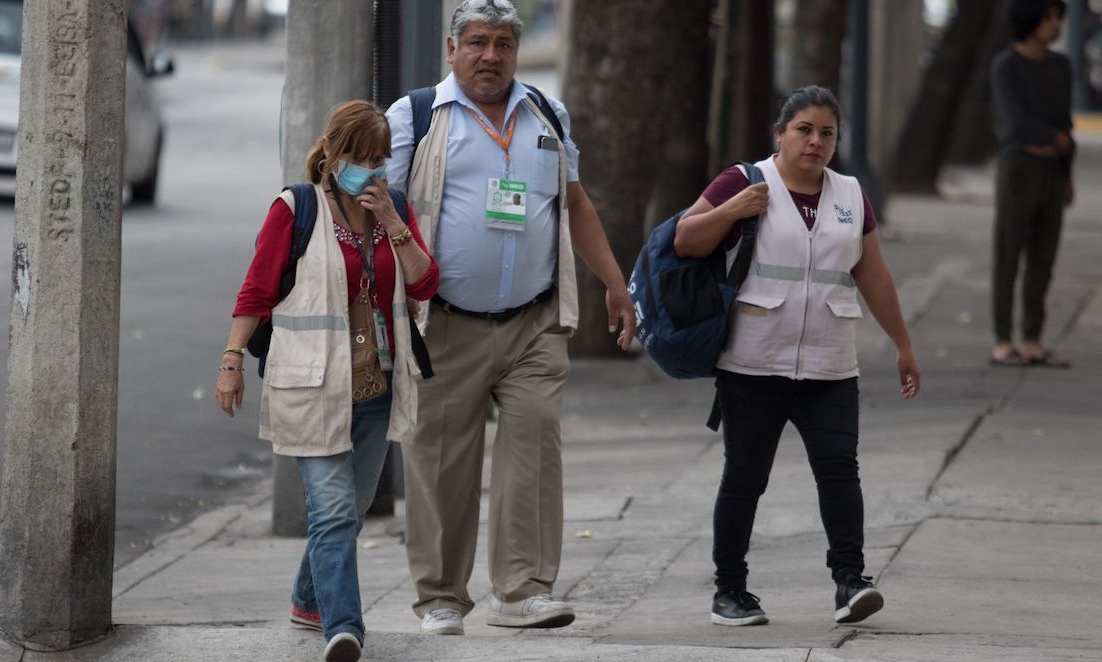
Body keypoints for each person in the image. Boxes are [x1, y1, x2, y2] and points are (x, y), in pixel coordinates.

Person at [383, 0, 635, 636]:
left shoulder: (545, 115)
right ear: (452, 48)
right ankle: (441, 596)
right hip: (442, 324)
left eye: (502, 43)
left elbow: (575, 203)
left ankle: (523, 591)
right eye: (476, 43)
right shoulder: (415, 116)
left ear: (516, 51)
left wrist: (614, 283)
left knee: (534, 452)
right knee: (440, 464)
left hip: (533, 322)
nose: (490, 55)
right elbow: (376, 210)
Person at [673, 86, 920, 627]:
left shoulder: (852, 194)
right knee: (745, 476)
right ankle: (729, 592)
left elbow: (872, 274)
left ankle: (850, 582)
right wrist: (735, 209)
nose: (815, 141)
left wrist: (902, 343)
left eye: (827, 132)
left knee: (839, 470)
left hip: (830, 362)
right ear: (780, 134)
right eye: (804, 129)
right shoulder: (744, 181)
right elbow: (686, 240)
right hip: (754, 360)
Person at [215, 100, 439, 661]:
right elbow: (256, 291)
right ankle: (344, 629)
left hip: (379, 387)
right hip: (312, 385)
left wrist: (392, 223)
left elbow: (425, 285)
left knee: (353, 507)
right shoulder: (297, 208)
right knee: (334, 510)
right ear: (334, 154)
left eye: (380, 157)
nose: (372, 168)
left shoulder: (396, 210)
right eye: (361, 157)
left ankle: (307, 601)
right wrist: (231, 359)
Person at [989, 0, 1074, 368]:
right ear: (1032, 20)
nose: (1056, 25)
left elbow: (1065, 123)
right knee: (1008, 256)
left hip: (1053, 171)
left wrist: (1066, 170)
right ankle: (1004, 340)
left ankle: (1033, 337)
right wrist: (1052, 137)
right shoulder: (1006, 65)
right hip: (1019, 169)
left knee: (1044, 257)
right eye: (1050, 17)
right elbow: (1015, 124)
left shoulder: (1061, 66)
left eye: (1058, 17)